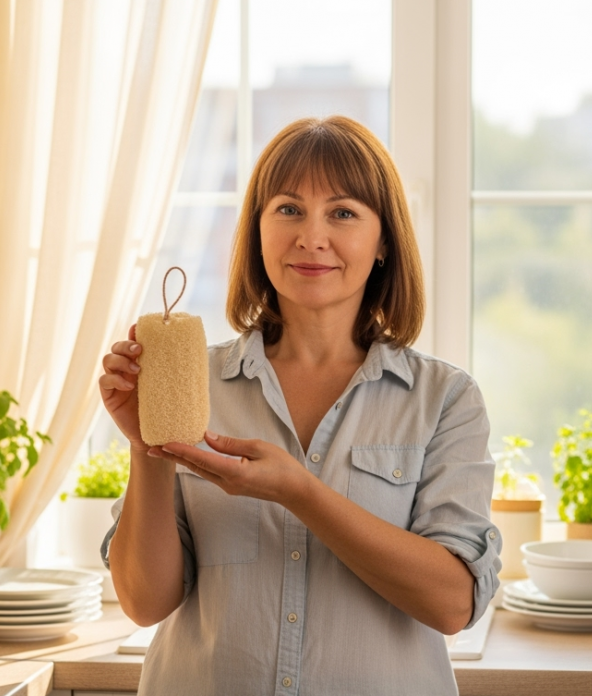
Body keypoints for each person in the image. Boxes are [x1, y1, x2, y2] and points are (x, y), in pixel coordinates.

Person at [98, 115, 500, 695]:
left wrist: (300, 492)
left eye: (342, 212)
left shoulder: (445, 400)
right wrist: (147, 445)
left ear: (383, 238)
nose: (311, 236)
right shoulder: (193, 383)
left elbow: (452, 604)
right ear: (257, 231)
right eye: (288, 209)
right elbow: (143, 602)